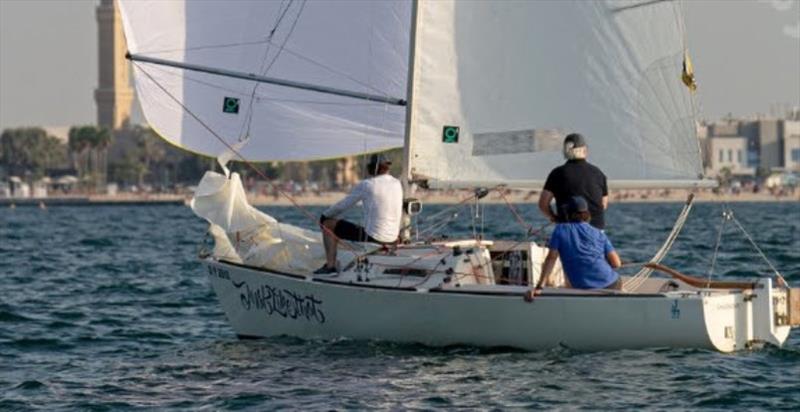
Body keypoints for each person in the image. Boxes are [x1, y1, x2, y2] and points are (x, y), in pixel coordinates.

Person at [314, 153, 403, 274]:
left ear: (374, 167)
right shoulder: (397, 183)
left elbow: (342, 206)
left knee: (328, 224)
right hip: (393, 238)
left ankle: (330, 266)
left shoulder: (368, 185)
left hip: (374, 238)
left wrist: (324, 216)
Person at [525, 196, 621, 301]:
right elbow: (616, 263)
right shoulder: (598, 232)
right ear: (586, 213)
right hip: (612, 284)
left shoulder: (560, 230)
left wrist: (539, 287)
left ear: (569, 213)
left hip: (586, 290)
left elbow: (551, 258)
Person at [538, 133, 609, 229]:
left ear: (565, 151)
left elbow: (543, 204)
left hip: (567, 230)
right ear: (585, 150)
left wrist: (554, 217)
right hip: (596, 231)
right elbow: (603, 205)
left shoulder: (557, 173)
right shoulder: (598, 173)